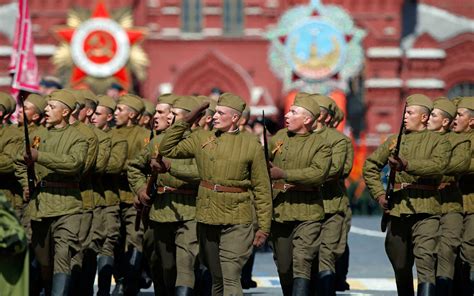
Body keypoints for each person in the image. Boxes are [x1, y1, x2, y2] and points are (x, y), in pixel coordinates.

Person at [159, 92, 272, 296]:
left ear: (235, 118)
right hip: (207, 216)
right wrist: (186, 120)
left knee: (230, 275)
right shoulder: (202, 138)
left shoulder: (251, 145)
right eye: (216, 112)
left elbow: (262, 188)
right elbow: (167, 148)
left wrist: (263, 227)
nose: (215, 116)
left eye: (221, 113)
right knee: (216, 277)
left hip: (237, 217)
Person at [363, 94, 450, 295]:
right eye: (405, 112)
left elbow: (438, 167)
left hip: (427, 211)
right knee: (400, 264)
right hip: (397, 211)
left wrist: (407, 165)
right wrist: (379, 195)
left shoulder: (439, 142)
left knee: (426, 262)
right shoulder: (394, 141)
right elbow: (370, 166)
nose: (405, 116)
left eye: (410, 113)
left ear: (424, 117)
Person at [16, 89, 88, 295]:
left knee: (63, 255)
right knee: (43, 261)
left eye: (51, 107)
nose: (46, 110)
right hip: (40, 207)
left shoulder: (78, 138)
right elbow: (20, 162)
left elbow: (74, 164)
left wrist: (40, 157)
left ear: (65, 112)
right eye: (46, 106)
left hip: (67, 206)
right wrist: (25, 184)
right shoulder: (37, 135)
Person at [129, 95, 201, 296]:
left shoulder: (200, 143)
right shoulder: (157, 142)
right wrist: (141, 189)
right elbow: (134, 167)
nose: (169, 118)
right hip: (161, 211)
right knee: (166, 266)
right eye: (169, 114)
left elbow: (205, 172)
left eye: (174, 115)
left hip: (190, 211)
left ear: (189, 119)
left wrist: (171, 168)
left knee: (186, 262)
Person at [269, 92, 331, 296]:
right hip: (280, 211)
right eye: (288, 111)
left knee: (302, 261)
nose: (287, 115)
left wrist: (284, 174)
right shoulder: (278, 138)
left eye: (293, 112)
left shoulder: (321, 145)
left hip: (308, 213)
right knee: (284, 267)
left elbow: (318, 174)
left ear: (307, 119)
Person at [426, 98, 470, 294]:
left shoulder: (463, 142)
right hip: (439, 203)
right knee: (437, 251)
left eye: (459, 115)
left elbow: (462, 164)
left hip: (464, 204)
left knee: (463, 251)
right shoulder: (441, 138)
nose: (455, 119)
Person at [310, 94, 348, 296]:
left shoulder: (339, 141)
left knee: (327, 253)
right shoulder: (294, 137)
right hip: (303, 205)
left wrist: (302, 175)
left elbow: (340, 170)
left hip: (330, 204)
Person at [91, 94, 128, 295]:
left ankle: (104, 290)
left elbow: (114, 166)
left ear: (109, 116)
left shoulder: (118, 139)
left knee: (108, 243)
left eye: (98, 113)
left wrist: (86, 165)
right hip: (87, 199)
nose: (93, 117)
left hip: (108, 199)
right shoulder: (85, 135)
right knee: (87, 247)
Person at [113, 93, 150, 295]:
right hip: (112, 197)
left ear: (132, 114)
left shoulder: (143, 135)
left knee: (134, 240)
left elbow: (143, 165)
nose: (115, 113)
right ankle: (120, 277)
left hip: (133, 199)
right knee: (115, 243)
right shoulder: (110, 133)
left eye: (120, 110)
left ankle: (131, 281)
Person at [453, 97, 474, 294]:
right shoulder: (448, 138)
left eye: (459, 115)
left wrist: (450, 165)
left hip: (471, 205)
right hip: (451, 205)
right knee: (451, 250)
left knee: (468, 249)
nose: (454, 119)